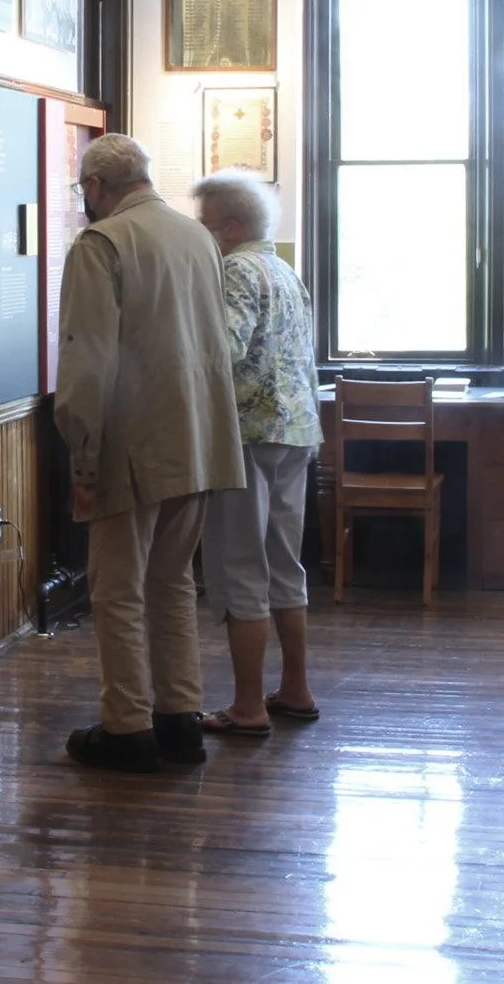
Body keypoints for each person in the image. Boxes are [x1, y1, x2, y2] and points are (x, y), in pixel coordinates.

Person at [55, 134, 245, 772]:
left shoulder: (101, 244)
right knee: (173, 581)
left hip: (130, 443)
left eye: (83, 190)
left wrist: (83, 456)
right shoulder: (198, 238)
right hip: (198, 440)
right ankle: (180, 719)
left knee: (117, 590)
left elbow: (87, 364)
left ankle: (128, 726)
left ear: (95, 187)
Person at [190, 170, 322, 735]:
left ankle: (247, 707)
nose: (202, 236)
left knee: (240, 566)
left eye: (206, 226)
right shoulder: (286, 271)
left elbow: (222, 348)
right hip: (296, 432)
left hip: (245, 437)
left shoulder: (236, 271)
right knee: (284, 566)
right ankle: (295, 688)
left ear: (231, 226)